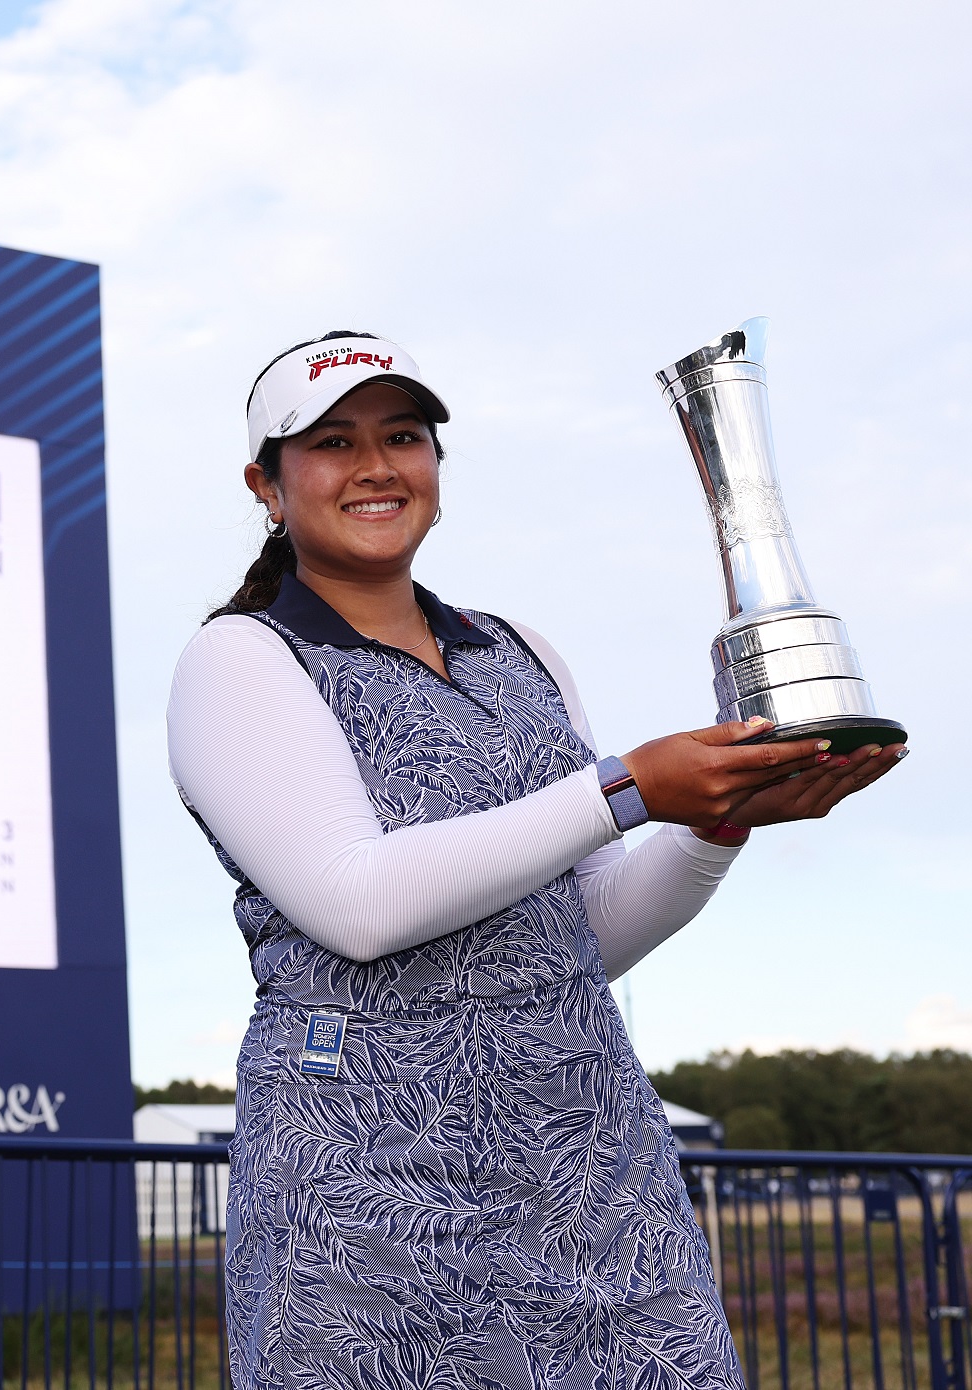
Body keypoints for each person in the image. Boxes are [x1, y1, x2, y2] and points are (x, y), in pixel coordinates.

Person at [167, 331, 904, 1386]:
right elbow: (356, 902)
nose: (377, 465)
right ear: (267, 485)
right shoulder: (238, 659)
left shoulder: (519, 650)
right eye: (332, 442)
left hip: (592, 1173)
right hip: (369, 1198)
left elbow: (580, 932)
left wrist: (718, 821)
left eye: (405, 436)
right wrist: (629, 788)